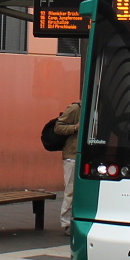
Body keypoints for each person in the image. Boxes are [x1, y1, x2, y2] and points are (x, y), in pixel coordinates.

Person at [53, 99, 81, 236]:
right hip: (72, 155)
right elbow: (58, 127)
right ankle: (67, 223)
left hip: (85, 155)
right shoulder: (75, 108)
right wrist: (75, 128)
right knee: (70, 190)